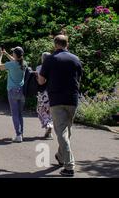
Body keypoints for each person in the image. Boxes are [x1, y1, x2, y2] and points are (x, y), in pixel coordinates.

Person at [38, 35, 83, 178]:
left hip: (57, 99)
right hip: (72, 99)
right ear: (66, 44)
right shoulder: (75, 59)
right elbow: (79, 78)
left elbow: (41, 81)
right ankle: (60, 155)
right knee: (67, 130)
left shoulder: (50, 59)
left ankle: (69, 166)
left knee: (61, 132)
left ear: (55, 44)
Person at [0, 46, 27, 143]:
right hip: (21, 91)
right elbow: (15, 60)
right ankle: (21, 133)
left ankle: (18, 135)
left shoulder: (11, 64)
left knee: (14, 114)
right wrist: (6, 54)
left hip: (12, 91)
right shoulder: (24, 63)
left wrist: (0, 56)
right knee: (20, 114)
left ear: (15, 54)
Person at [36, 52, 54, 139]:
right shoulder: (54, 68)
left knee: (41, 110)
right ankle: (49, 129)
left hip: (42, 92)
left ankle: (48, 125)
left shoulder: (39, 68)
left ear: (42, 59)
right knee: (50, 110)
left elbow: (40, 81)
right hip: (52, 92)